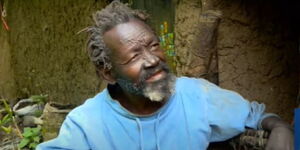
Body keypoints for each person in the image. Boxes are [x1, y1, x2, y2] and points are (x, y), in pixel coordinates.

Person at [37, 1, 294, 150]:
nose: (152, 60)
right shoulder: (86, 125)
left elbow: (255, 116)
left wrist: (280, 127)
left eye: (153, 45)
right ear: (109, 73)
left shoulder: (196, 95)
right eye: (134, 56)